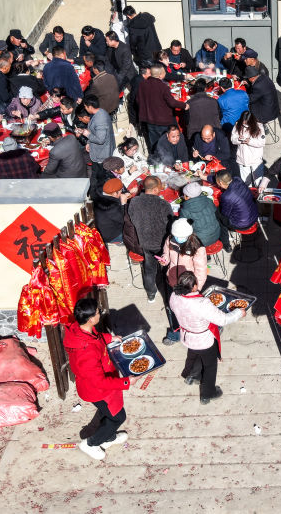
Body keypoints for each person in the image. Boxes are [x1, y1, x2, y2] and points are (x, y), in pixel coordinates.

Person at [63, 297, 131, 461]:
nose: (100, 313)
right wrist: (127, 382)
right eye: (97, 312)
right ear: (91, 319)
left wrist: (109, 338)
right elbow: (99, 381)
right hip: (97, 390)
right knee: (118, 417)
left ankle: (108, 437)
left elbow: (96, 337)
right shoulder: (86, 351)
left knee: (109, 412)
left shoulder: (81, 329)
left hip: (101, 382)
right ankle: (91, 443)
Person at [168, 271, 246, 404]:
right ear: (194, 286)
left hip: (187, 336)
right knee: (210, 365)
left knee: (193, 356)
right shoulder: (201, 303)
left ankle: (191, 375)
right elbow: (223, 320)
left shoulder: (174, 296)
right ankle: (207, 394)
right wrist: (239, 312)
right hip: (203, 340)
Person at [127, 176, 173, 302]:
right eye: (160, 188)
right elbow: (170, 225)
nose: (161, 190)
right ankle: (169, 293)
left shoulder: (134, 202)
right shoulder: (164, 205)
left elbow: (132, 219)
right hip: (162, 244)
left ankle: (151, 294)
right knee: (168, 267)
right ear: (155, 189)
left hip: (145, 243)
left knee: (149, 269)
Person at [138, 64, 184, 150]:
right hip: (163, 121)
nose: (165, 73)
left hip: (149, 119)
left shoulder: (142, 84)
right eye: (164, 72)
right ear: (160, 75)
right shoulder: (163, 87)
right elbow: (172, 103)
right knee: (166, 144)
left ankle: (156, 157)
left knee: (154, 143)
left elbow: (139, 100)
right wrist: (184, 105)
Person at [215, 169, 259, 244]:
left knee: (217, 214)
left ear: (220, 183)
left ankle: (225, 242)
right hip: (254, 216)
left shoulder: (226, 196)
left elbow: (225, 214)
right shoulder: (237, 179)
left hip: (243, 224)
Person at [179, 182, 222, 250]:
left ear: (188, 196)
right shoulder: (209, 200)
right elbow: (214, 212)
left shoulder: (185, 210)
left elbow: (183, 226)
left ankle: (200, 253)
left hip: (200, 241)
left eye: (185, 195)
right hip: (217, 234)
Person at [230, 110, 266, 185]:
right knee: (246, 182)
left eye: (246, 122)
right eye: (243, 121)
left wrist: (250, 141)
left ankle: (259, 192)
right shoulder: (237, 125)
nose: (244, 123)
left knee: (258, 182)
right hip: (242, 159)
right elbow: (233, 139)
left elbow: (262, 142)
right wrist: (238, 139)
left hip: (256, 159)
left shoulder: (259, 127)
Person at [81, 95, 116, 167]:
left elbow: (100, 140)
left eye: (85, 106)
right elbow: (95, 132)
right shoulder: (100, 111)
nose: (85, 108)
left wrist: (87, 135)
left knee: (100, 171)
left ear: (90, 107)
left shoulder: (100, 119)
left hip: (102, 154)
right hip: (100, 150)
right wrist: (89, 143)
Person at [93, 177, 129, 244]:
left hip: (102, 230)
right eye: (120, 191)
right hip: (111, 236)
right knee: (134, 232)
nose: (122, 192)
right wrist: (124, 204)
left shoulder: (100, 198)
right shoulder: (111, 207)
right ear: (114, 193)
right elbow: (125, 220)